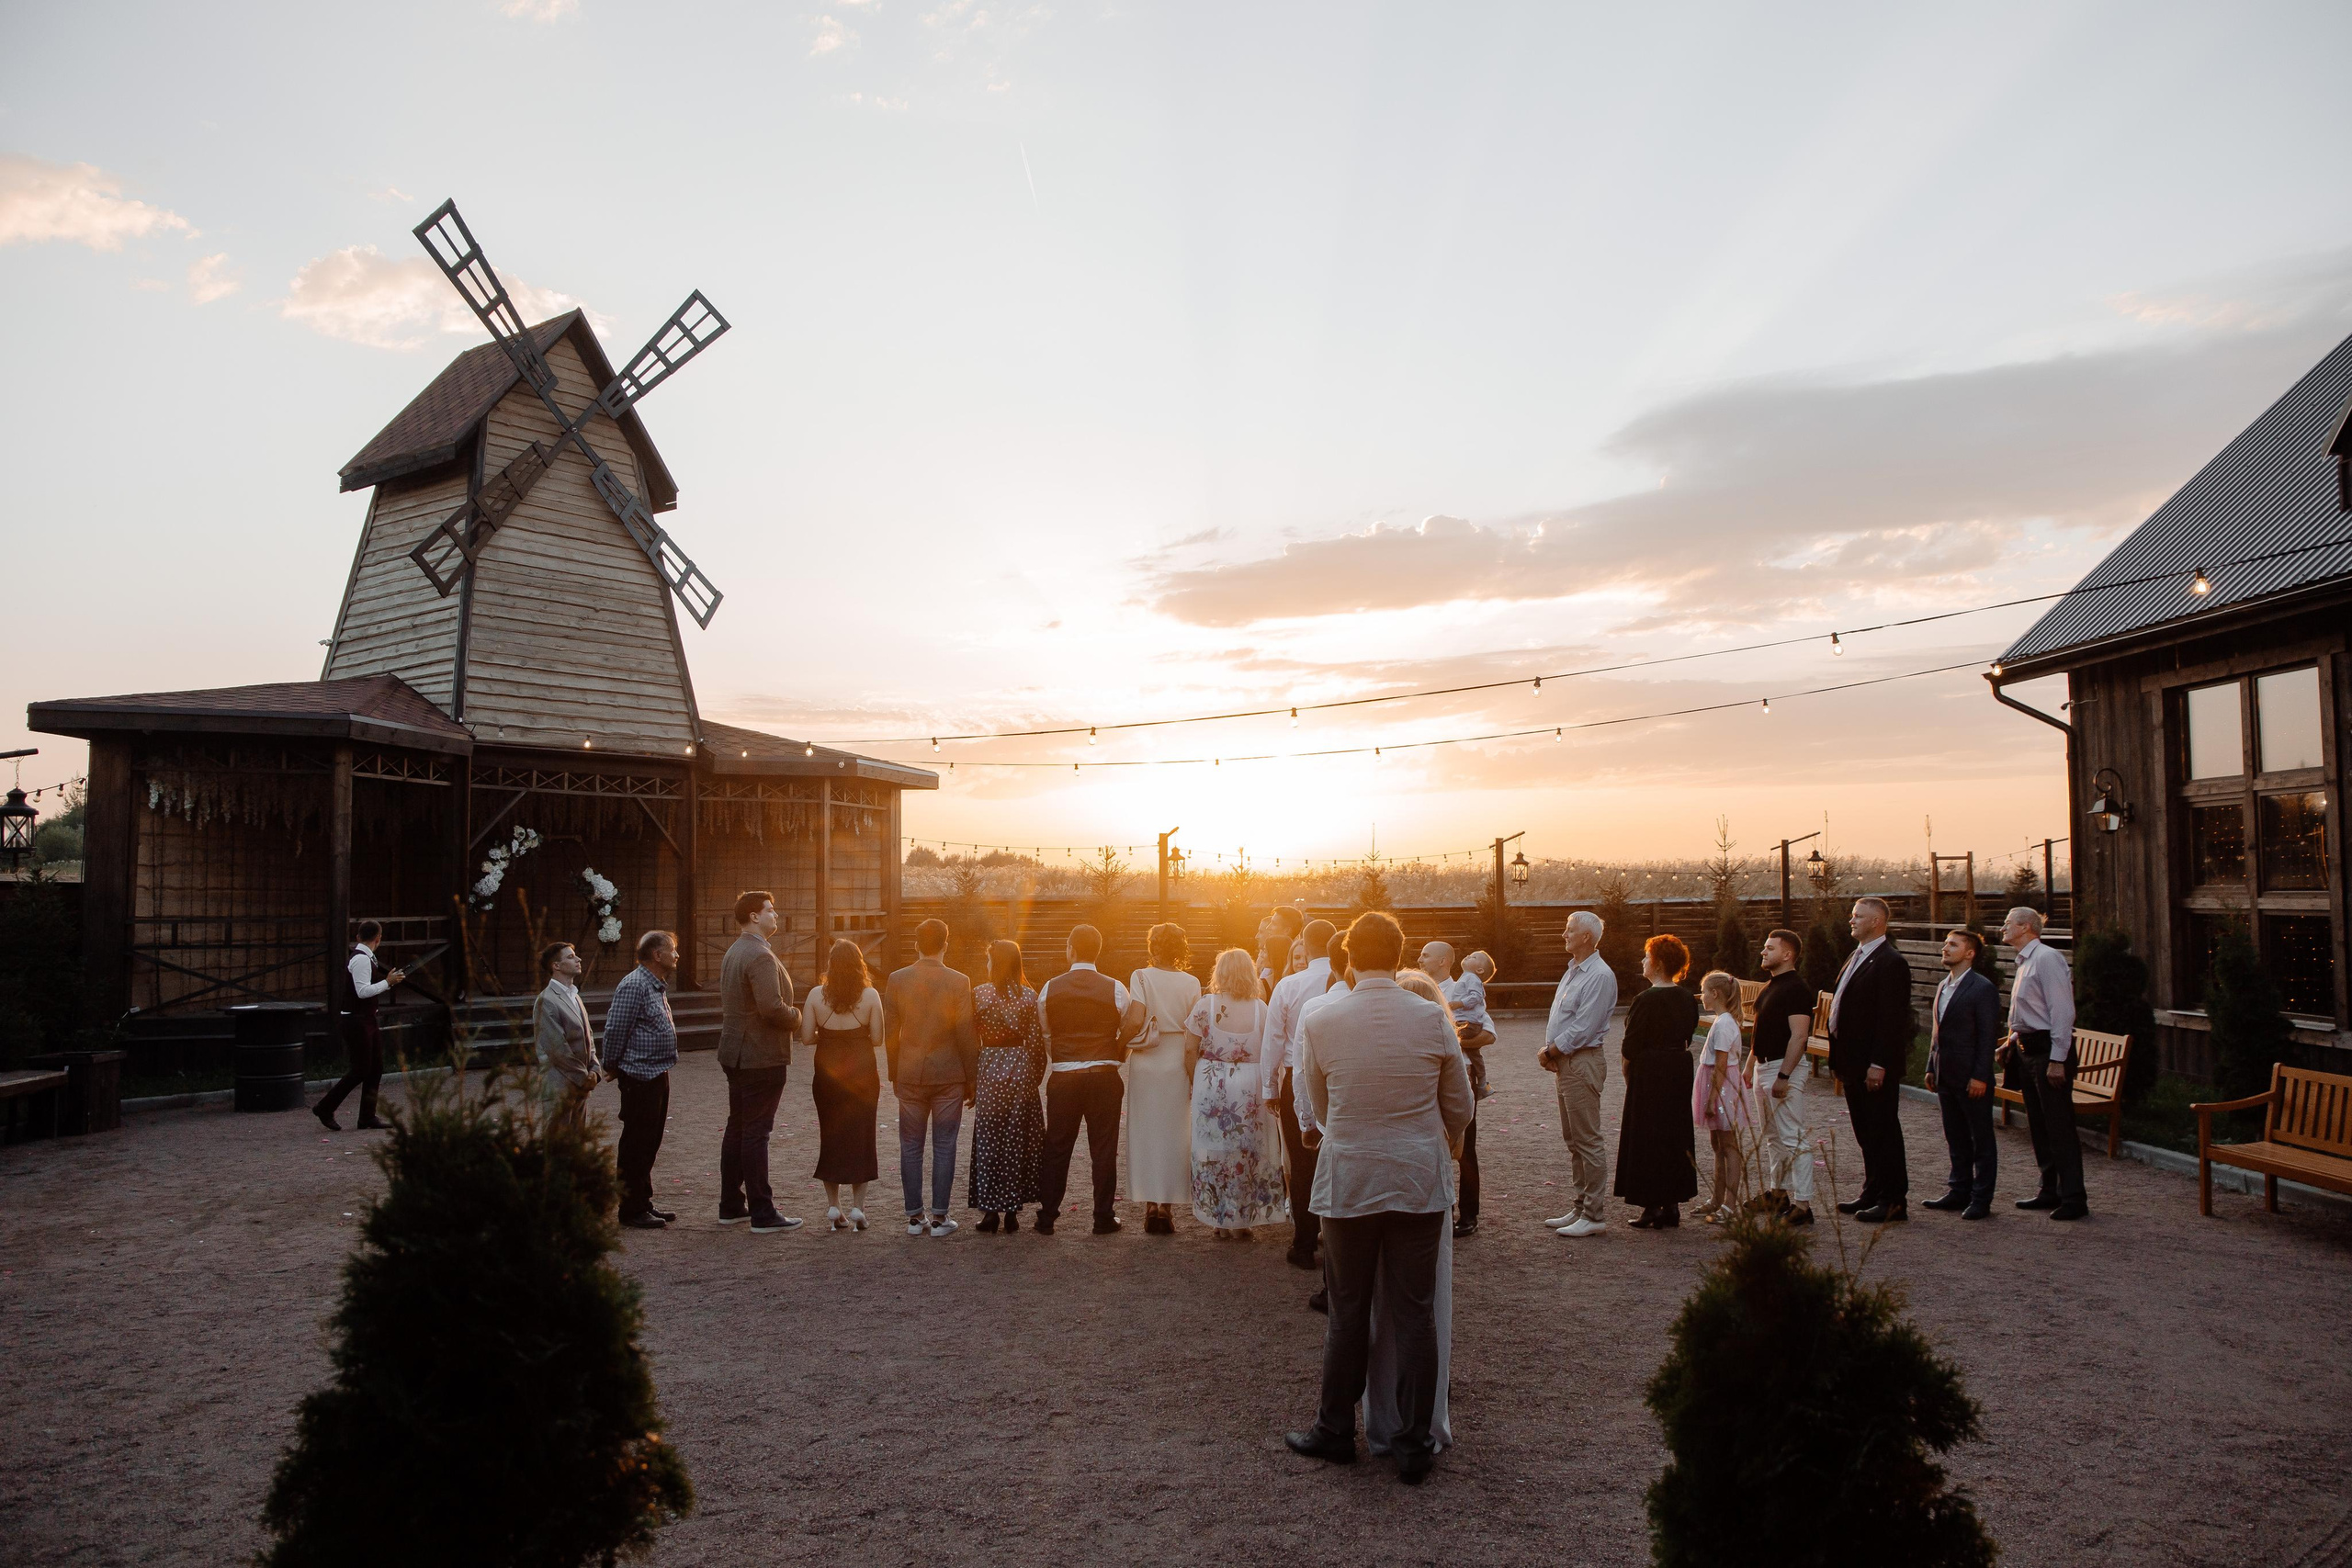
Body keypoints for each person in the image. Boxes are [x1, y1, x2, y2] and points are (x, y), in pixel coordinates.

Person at [1283, 912, 1475, 1487]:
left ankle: (1336, 1429)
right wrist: (1431, 1136)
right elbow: (1460, 1104)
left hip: (1351, 1179)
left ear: (1348, 956)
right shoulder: (1430, 1017)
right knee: (1415, 1312)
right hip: (1417, 1177)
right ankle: (1413, 1443)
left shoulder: (1322, 1019)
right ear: (1398, 955)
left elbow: (1319, 1107)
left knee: (1348, 1311)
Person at [1387, 967, 1465, 1452]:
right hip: (1426, 1175)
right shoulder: (1438, 1044)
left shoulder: (1385, 1049)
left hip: (1378, 1179)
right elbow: (1460, 1117)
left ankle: (1387, 1403)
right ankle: (1431, 1402)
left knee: (1383, 1298)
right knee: (1429, 1298)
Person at [1036, 924, 1147, 1235]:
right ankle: (1103, 1217)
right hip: (1103, 1077)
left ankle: (1047, 1217)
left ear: (1070, 949)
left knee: (1057, 1148)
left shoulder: (1049, 988)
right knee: (1103, 1149)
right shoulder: (1116, 989)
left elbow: (1047, 1034)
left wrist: (1065, 1057)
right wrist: (1115, 1054)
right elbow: (1128, 1029)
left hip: (1065, 1077)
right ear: (1098, 951)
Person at [884, 919, 980, 1237]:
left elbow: (891, 1032)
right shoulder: (959, 981)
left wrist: (895, 1071)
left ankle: (914, 1217)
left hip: (910, 1073)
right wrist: (972, 1078)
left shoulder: (897, 979)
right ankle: (940, 1216)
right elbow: (965, 1032)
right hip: (949, 1074)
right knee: (945, 1144)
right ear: (945, 945)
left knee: (910, 1145)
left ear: (916, 945)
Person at [1184, 947, 1287, 1237]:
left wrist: (1194, 1080)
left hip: (1212, 1081)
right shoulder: (1261, 1009)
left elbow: (1190, 1048)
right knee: (1247, 1148)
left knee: (1215, 1149)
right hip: (1249, 1084)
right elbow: (1270, 1050)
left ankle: (1220, 1219)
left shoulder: (1205, 1005)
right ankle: (1243, 1219)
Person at [717, 890, 804, 1235]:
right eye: (770, 910)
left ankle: (731, 1205)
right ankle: (762, 1212)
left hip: (735, 1051)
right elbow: (772, 1008)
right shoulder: (760, 955)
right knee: (756, 1132)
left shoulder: (734, 951)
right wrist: (797, 1017)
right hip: (760, 1055)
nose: (776, 915)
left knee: (738, 1128)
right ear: (754, 916)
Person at [1826, 897, 1915, 1224]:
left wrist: (1879, 1063)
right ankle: (1873, 1190)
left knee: (1883, 1130)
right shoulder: (1857, 955)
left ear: (1877, 922)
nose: (1851, 921)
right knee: (1865, 1131)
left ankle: (1893, 1201)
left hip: (1873, 1064)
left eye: (1858, 916)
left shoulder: (1891, 962)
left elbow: (1891, 1020)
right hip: (1851, 1060)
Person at [2000, 906, 2087, 1221]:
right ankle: (2049, 1190)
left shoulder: (2047, 958)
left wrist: (2057, 1059)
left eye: (2008, 923)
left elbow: (2061, 1012)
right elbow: (2028, 1012)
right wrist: (2011, 1041)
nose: (2003, 928)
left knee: (2058, 1126)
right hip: (2027, 1050)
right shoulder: (2025, 961)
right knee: (2038, 1124)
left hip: (2047, 1052)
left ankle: (2074, 1198)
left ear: (2026, 927)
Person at [1262, 919, 1338, 1270]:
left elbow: (1273, 1040)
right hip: (1341, 1076)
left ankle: (1304, 1243)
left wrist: (1269, 1086)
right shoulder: (1349, 984)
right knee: (1338, 1157)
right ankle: (1338, 1238)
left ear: (1305, 946)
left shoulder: (1289, 984)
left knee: (1302, 1161)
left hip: (1299, 1077)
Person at [1540, 911, 1619, 1238]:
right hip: (1567, 1061)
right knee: (1574, 1140)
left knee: (1587, 1140)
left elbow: (1584, 1027)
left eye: (1570, 930)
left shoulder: (1599, 976)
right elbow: (1564, 1018)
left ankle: (1594, 1214)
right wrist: (1554, 1052)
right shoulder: (1574, 970)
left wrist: (1551, 1051)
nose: (1564, 935)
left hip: (1581, 1061)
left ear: (1587, 937)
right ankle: (1581, 1206)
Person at [1615, 934, 1701, 1229]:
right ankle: (1672, 1205)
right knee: (1674, 1133)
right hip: (1678, 1067)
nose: (1643, 961)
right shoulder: (1687, 997)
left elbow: (1630, 1046)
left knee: (1647, 1136)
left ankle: (1651, 1205)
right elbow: (1688, 1035)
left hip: (1650, 1070)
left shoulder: (1645, 999)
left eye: (1647, 956)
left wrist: (1629, 1074)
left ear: (1659, 963)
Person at [1127, 923, 1205, 1235]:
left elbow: (1136, 1017)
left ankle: (1150, 1206)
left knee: (1145, 1132)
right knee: (1175, 1132)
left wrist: (1119, 1043)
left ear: (1153, 946)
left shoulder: (1140, 976)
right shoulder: (1192, 982)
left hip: (1148, 1057)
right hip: (1176, 1058)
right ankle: (1166, 1209)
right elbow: (1195, 1029)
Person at [968, 939, 1048, 1233]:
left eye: (989, 959)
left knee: (989, 1141)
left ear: (996, 962)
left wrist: (972, 1079)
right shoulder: (1029, 996)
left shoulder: (979, 994)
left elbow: (970, 1038)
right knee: (1017, 1141)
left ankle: (990, 1212)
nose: (987, 964)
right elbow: (1037, 1044)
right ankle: (1012, 1211)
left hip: (989, 1066)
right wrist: (1034, 1077)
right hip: (1020, 1068)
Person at [805, 939, 885, 1232]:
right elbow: (877, 1039)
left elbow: (806, 1037)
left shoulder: (815, 995)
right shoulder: (870, 995)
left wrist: (828, 1035)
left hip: (827, 1071)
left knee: (831, 1136)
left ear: (831, 964)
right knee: (862, 1137)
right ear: (858, 964)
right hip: (862, 1072)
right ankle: (858, 1208)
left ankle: (833, 1206)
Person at [605, 930, 683, 1231]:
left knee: (650, 1141)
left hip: (657, 1072)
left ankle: (643, 1201)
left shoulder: (655, 985)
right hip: (639, 1075)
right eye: (672, 950)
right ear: (657, 955)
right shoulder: (635, 984)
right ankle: (631, 1208)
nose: (676, 955)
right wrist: (612, 1065)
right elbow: (615, 1028)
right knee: (636, 1143)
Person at [1924, 928, 2000, 1220]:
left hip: (1972, 1078)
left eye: (1953, 945)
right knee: (1955, 1137)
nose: (1945, 948)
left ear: (1970, 953)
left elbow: (1987, 1036)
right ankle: (1959, 1191)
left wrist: (1980, 1076)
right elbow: (1937, 1032)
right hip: (1946, 1074)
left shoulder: (1982, 988)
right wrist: (1931, 1066)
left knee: (1981, 1140)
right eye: (1945, 943)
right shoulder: (1943, 986)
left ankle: (1981, 1199)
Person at [1422, 942, 1494, 1238]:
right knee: (1430, 1143)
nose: (1419, 959)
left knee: (1465, 1147)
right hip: (1427, 1074)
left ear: (1442, 961)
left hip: (1461, 1072)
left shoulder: (1463, 988)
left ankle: (1469, 1214)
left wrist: (1450, 1043)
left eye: (1425, 955)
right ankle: (1438, 1212)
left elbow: (1489, 1034)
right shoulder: (1417, 990)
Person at [1748, 929, 1817, 1225]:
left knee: (1793, 1137)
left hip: (1782, 1068)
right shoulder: (1770, 986)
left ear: (1787, 955)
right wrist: (1750, 1065)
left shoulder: (1796, 989)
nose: (1763, 952)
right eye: (1764, 947)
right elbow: (1760, 1030)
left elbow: (1799, 1036)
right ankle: (1778, 1194)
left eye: (1770, 948)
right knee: (1773, 1138)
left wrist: (1784, 1075)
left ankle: (1803, 1205)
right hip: (1763, 1068)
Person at [313, 919, 406, 1132]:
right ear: (378, 938)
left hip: (366, 1018)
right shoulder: (362, 959)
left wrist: (387, 982)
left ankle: (367, 1117)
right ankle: (325, 1107)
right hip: (356, 1020)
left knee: (375, 1068)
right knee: (361, 1069)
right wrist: (387, 982)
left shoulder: (365, 957)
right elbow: (362, 991)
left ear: (358, 937)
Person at [1691, 970, 1754, 1223]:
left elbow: (1721, 1064)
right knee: (1717, 1144)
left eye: (1704, 991)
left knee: (1729, 1146)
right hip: (1715, 1084)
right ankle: (1716, 1199)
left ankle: (1729, 1204)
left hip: (1722, 1088)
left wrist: (1711, 1099)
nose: (1702, 996)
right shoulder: (1720, 1021)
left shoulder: (1725, 1023)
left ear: (1715, 994)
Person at [531, 941, 600, 1133]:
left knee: (577, 1143)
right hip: (559, 1086)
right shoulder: (547, 1000)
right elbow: (557, 1049)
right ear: (556, 966)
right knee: (557, 1143)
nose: (578, 959)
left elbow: (588, 1037)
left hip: (580, 1085)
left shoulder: (575, 996)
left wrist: (595, 1069)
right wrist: (584, 1077)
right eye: (570, 957)